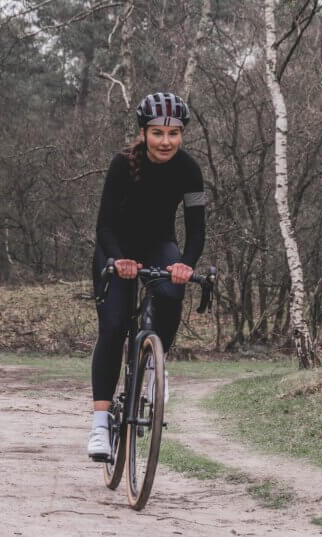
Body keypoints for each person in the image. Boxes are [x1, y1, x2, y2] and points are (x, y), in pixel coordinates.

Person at [87, 91, 206, 461]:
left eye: (173, 134)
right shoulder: (121, 165)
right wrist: (119, 261)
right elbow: (104, 225)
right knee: (113, 327)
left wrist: (186, 262)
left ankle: (155, 366)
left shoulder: (189, 170)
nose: (166, 141)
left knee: (172, 291)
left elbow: (197, 230)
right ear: (144, 133)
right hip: (116, 250)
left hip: (159, 245)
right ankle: (100, 426)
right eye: (157, 133)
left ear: (182, 135)